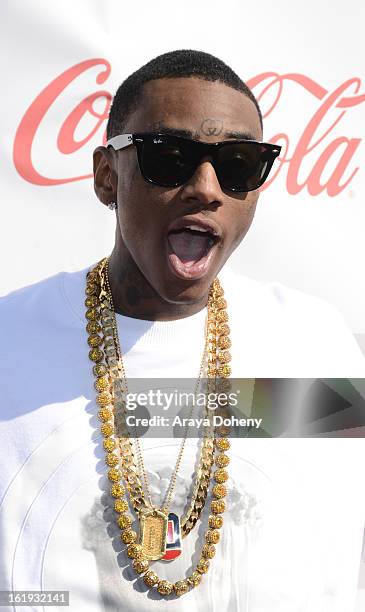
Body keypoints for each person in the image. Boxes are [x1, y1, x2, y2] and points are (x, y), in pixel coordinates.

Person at [0, 49, 364, 611]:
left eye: (240, 163)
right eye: (168, 157)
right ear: (105, 176)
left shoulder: (315, 342)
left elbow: (339, 556)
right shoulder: (9, 340)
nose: (207, 187)